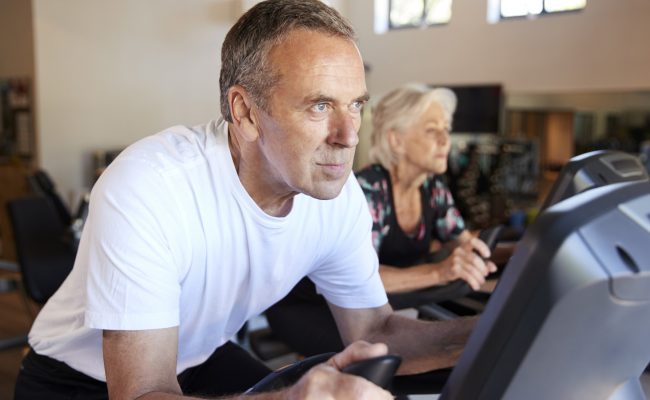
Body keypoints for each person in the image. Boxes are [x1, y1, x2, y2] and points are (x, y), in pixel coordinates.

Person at [14, 1, 486, 399]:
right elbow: (141, 392)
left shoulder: (336, 195)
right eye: (319, 105)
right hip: (78, 379)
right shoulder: (149, 186)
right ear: (245, 113)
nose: (348, 136)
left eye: (356, 104)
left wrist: (493, 328)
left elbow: (375, 332)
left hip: (198, 354)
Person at [266, 84, 497, 356]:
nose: (446, 141)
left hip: (364, 306)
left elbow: (465, 244)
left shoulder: (432, 188)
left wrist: (519, 249)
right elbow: (361, 277)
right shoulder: (368, 190)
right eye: (432, 130)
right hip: (312, 308)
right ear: (396, 140)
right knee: (387, 361)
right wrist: (440, 271)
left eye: (446, 130)